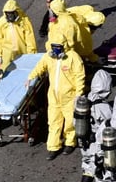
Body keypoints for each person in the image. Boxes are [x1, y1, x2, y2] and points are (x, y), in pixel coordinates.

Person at [27, 30, 85, 160]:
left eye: (58, 47)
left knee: (70, 121)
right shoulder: (49, 57)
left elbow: (79, 76)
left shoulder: (73, 57)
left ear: (64, 46)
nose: (56, 50)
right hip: (53, 97)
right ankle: (53, 147)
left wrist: (79, 94)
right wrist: (31, 77)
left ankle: (70, 142)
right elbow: (40, 67)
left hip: (69, 97)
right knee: (53, 122)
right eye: (54, 47)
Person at [79, 70, 113, 182]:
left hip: (85, 140)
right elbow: (110, 126)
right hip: (97, 143)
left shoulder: (86, 99)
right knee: (100, 171)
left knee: (88, 167)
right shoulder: (104, 107)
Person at [0, 0, 36, 70]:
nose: (10, 16)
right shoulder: (1, 22)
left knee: (24, 70)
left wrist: (31, 53)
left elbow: (30, 39)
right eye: (8, 13)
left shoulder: (24, 21)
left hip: (22, 51)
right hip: (7, 54)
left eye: (12, 13)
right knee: (6, 71)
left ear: (16, 12)